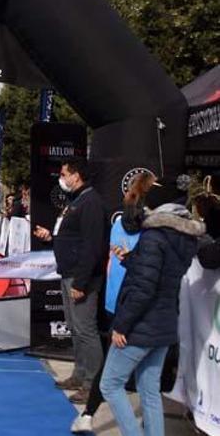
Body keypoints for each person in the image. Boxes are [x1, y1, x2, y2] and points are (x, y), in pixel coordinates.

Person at [98, 178, 203, 436]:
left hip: (143, 325)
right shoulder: (182, 236)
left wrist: (122, 325)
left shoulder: (154, 237)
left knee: (110, 384)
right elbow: (158, 274)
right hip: (164, 324)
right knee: (149, 391)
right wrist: (132, 259)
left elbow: (144, 289)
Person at [71, 171, 157, 433]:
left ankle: (89, 414)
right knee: (133, 376)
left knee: (127, 370)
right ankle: (91, 414)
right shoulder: (152, 228)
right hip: (134, 300)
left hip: (116, 298)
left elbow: (112, 259)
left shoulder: (120, 223)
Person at [33, 157, 108, 403]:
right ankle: (80, 374)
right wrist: (51, 238)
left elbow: (92, 246)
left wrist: (81, 283)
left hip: (80, 277)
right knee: (75, 328)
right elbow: (73, 238)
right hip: (69, 273)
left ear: (76, 176)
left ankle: (93, 386)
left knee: (86, 330)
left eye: (64, 174)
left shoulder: (91, 202)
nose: (61, 178)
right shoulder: (77, 201)